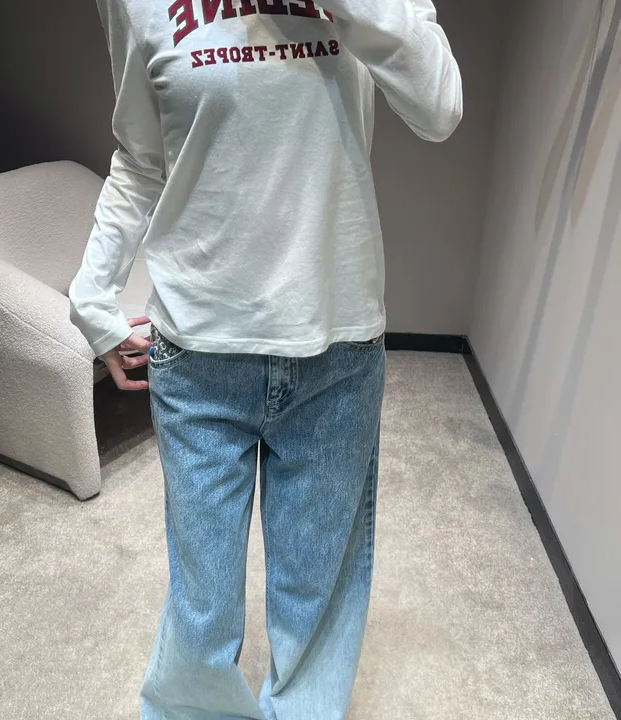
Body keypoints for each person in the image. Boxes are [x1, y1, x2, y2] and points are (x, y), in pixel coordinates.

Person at [69, 0, 462, 717]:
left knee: (317, 604)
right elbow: (142, 156)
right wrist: (91, 297)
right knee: (202, 610)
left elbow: (439, 106)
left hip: (337, 347)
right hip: (198, 353)